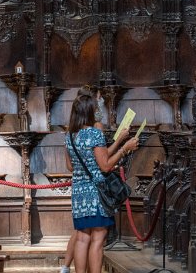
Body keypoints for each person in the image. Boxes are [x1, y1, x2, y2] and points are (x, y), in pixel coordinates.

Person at [63, 87, 139, 273]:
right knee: (98, 238)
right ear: (89, 111)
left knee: (82, 237)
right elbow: (105, 166)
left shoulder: (70, 136)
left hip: (79, 194)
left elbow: (71, 167)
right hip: (96, 194)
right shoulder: (94, 134)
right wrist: (125, 148)